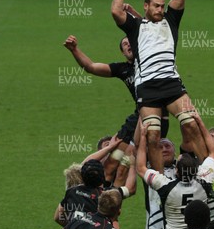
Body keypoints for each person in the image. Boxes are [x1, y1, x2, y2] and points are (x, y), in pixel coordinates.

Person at [111, 0, 214, 175]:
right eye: (156, 6)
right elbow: (115, 11)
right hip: (147, 86)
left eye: (162, 6)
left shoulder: (171, 20)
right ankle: (160, 182)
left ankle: (208, 175)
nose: (161, 9)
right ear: (146, 7)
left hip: (171, 82)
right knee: (152, 136)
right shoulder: (135, 26)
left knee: (191, 125)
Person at [63, 33, 169, 184]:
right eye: (124, 44)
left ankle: (162, 190)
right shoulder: (122, 69)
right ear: (123, 52)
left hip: (153, 116)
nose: (128, 45)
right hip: (136, 118)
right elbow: (91, 67)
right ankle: (105, 199)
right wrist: (74, 50)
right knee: (112, 164)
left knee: (141, 164)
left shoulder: (150, 63)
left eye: (130, 41)